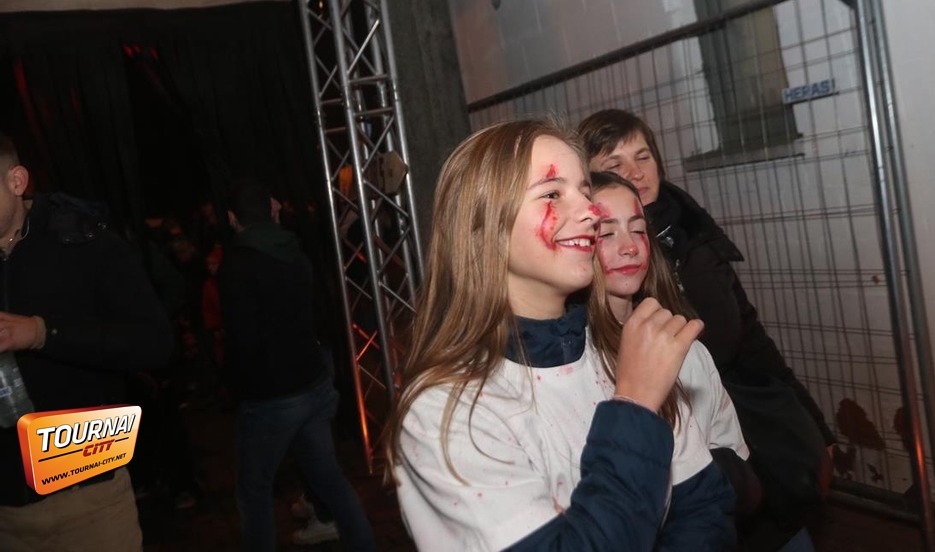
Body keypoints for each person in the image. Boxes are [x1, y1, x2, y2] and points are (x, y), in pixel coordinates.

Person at [384, 119, 733, 551]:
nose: (591, 212)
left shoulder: (622, 354)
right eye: (552, 194)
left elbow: (704, 509)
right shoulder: (447, 410)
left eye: (585, 192)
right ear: (483, 226)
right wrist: (636, 405)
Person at [578, 109, 836, 551]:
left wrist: (813, 426)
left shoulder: (694, 235)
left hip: (748, 443)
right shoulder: (584, 337)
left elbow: (752, 337)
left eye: (643, 156)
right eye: (615, 163)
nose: (635, 172)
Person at [0, 131, 174, 551]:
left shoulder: (84, 242)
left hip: (90, 501)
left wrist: (42, 333)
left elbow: (154, 343)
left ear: (16, 181)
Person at [588, 171, 763, 521]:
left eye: (639, 230)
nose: (630, 246)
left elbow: (730, 450)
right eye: (605, 233)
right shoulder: (573, 365)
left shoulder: (686, 348)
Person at [218, 178, 374, 552]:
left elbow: (242, 342)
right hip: (313, 383)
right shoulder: (294, 252)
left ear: (233, 219)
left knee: (254, 491)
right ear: (270, 211)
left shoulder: (236, 267)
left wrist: (236, 389)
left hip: (273, 396)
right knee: (329, 478)